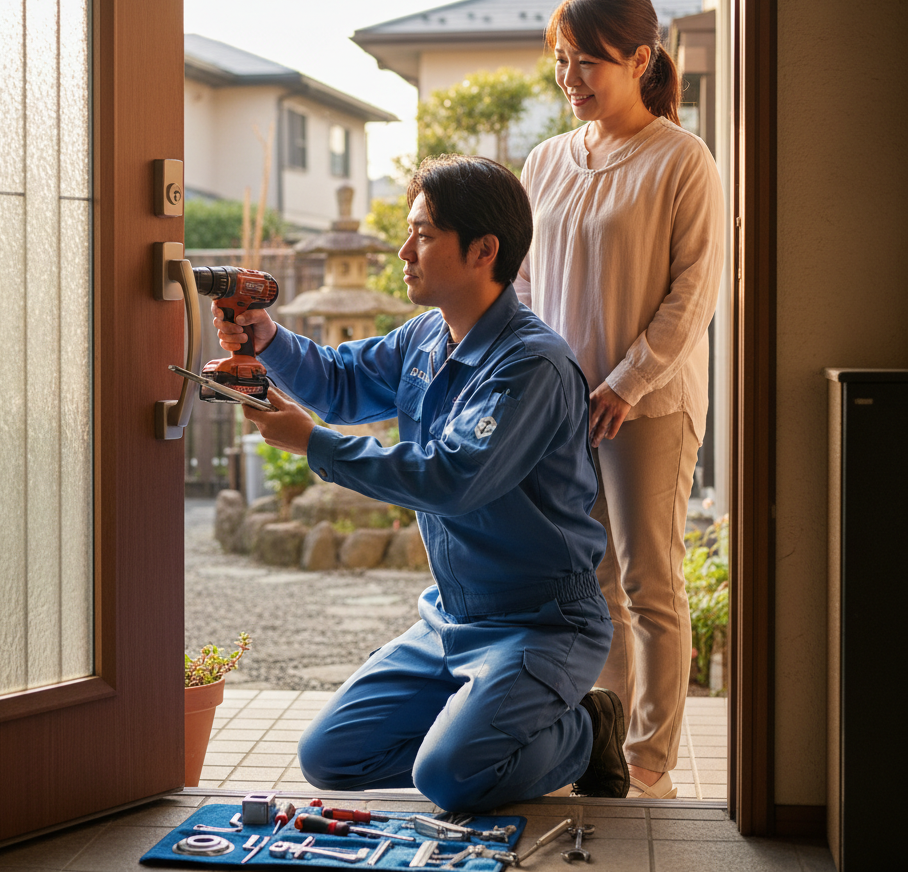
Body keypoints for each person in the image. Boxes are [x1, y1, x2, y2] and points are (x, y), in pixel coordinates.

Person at [212, 155, 628, 812]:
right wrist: (265, 340)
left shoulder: (532, 366)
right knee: (331, 757)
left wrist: (312, 443)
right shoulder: (426, 338)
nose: (404, 251)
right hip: (451, 619)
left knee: (448, 779)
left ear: (483, 251)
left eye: (425, 234)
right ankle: (475, 740)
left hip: (540, 625)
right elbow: (342, 382)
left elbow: (449, 478)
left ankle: (584, 731)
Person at [514, 0, 725, 800]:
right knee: (587, 581)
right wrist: (547, 382)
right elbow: (524, 284)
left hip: (650, 408)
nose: (572, 78)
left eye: (590, 62)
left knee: (650, 582)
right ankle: (600, 751)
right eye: (563, 61)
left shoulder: (682, 157)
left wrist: (626, 383)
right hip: (564, 406)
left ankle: (651, 762)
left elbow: (694, 293)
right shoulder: (545, 160)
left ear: (640, 59)